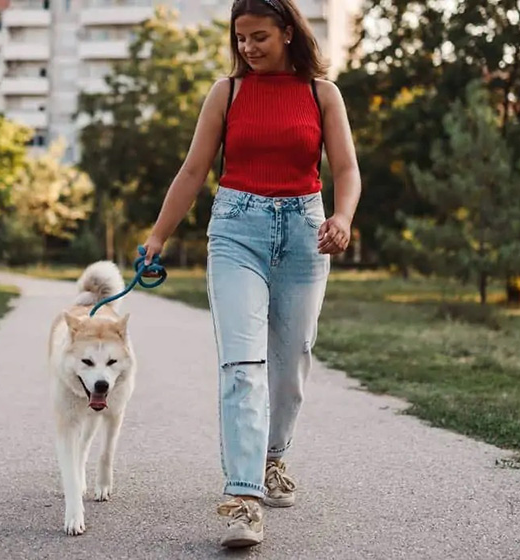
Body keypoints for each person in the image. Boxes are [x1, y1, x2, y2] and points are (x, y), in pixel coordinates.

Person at [140, 0, 362, 548]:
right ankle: (243, 500)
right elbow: (194, 170)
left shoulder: (321, 93)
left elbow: (347, 169)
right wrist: (157, 236)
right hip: (236, 230)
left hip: (306, 232)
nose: (248, 47)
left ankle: (272, 458)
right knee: (242, 363)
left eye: (259, 36)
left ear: (288, 32)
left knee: (293, 360)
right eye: (240, 38)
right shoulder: (227, 92)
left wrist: (343, 216)